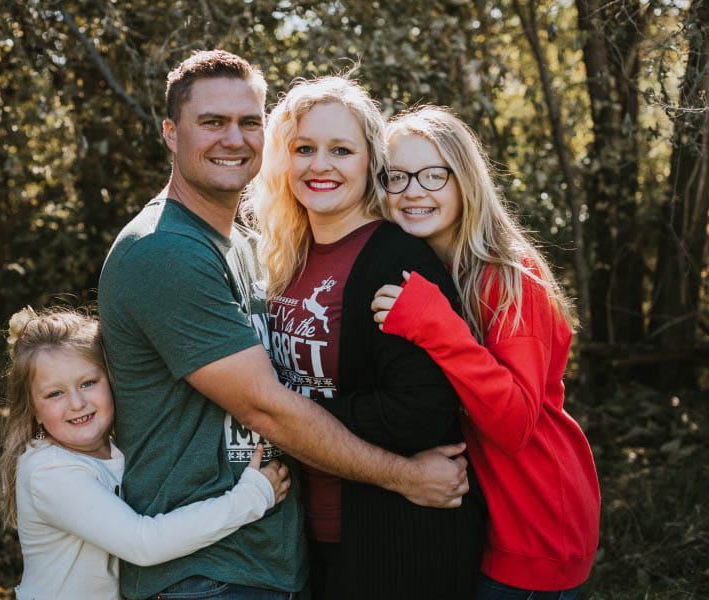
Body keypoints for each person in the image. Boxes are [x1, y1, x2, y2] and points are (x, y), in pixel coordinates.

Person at [98, 50, 471, 600]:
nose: (234, 138)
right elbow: (267, 405)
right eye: (212, 122)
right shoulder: (164, 251)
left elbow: (421, 401)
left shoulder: (252, 249)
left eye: (249, 122)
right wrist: (407, 476)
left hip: (278, 556)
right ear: (171, 133)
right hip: (203, 570)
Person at [250, 77, 485, 600]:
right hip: (308, 534)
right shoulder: (285, 258)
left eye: (341, 150)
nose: (320, 164)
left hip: (399, 537)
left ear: (369, 163)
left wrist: (296, 421)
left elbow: (422, 409)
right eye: (303, 149)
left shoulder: (396, 260)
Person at [372, 106, 601, 599]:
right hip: (483, 517)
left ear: (465, 181)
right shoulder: (431, 266)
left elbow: (514, 422)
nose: (414, 190)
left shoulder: (509, 275)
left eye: (433, 175)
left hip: (536, 523)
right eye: (397, 177)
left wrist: (435, 324)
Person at [0, 306, 291, 600]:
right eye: (55, 393)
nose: (76, 402)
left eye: (88, 383)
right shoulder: (49, 471)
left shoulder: (116, 447)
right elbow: (142, 543)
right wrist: (251, 497)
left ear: (112, 380)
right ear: (34, 409)